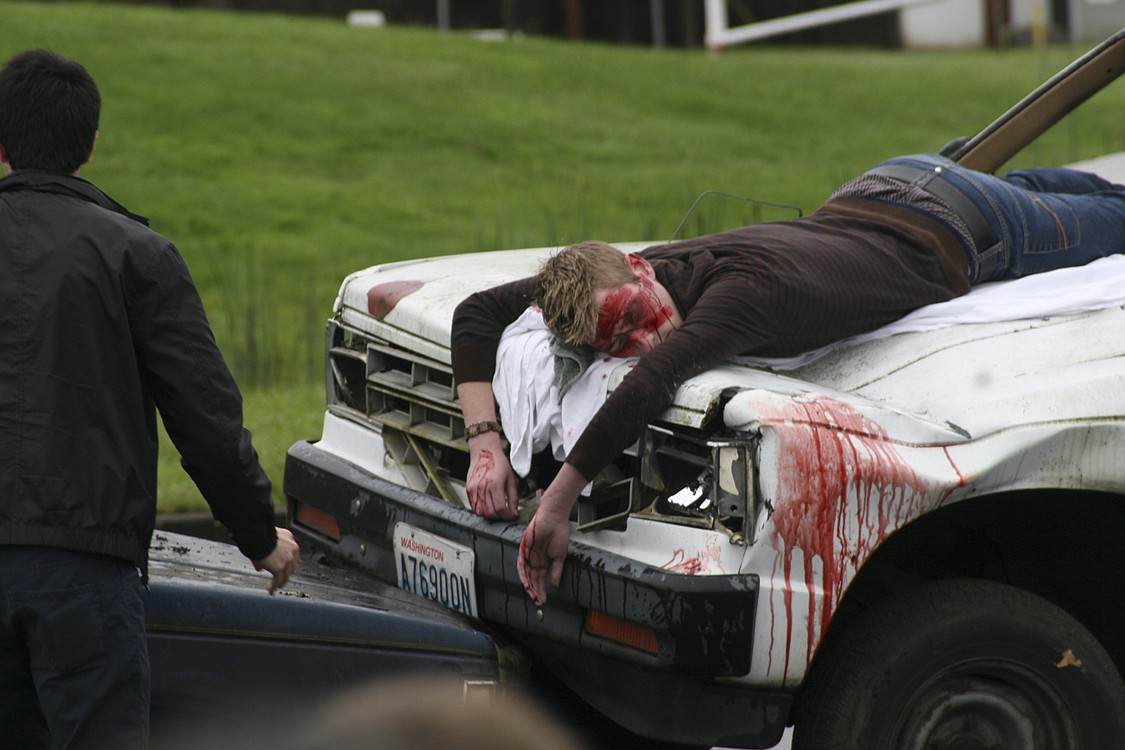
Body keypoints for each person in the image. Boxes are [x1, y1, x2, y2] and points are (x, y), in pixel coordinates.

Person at [451, 151, 1125, 604]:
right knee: (1076, 191)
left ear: (637, 267)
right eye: (613, 341)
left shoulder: (744, 296)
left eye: (630, 314)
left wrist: (558, 501)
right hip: (892, 186)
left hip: (978, 228)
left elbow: (652, 380)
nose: (639, 337)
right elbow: (478, 310)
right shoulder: (650, 267)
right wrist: (485, 444)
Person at [0, 49, 300, 749]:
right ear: (91, 142)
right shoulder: (136, 254)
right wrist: (258, 536)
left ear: (3, 143)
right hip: (83, 567)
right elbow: (204, 416)